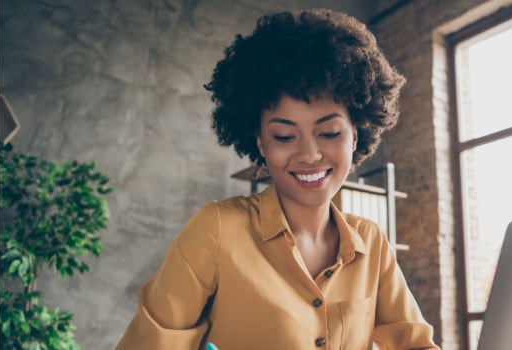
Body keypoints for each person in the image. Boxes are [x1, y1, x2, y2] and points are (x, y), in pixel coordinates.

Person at [116, 8, 440, 350]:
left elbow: (415, 344)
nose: (309, 154)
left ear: (356, 136)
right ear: (260, 143)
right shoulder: (218, 230)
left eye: (329, 132)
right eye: (285, 137)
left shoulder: (371, 243)